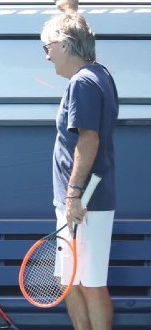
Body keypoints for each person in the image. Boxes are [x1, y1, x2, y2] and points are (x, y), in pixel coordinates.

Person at [41, 11, 118, 330]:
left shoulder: (84, 82)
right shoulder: (99, 74)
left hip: (84, 203)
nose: (47, 56)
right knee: (69, 281)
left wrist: (74, 197)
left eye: (48, 47)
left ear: (64, 45)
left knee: (90, 283)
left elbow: (89, 140)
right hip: (78, 203)